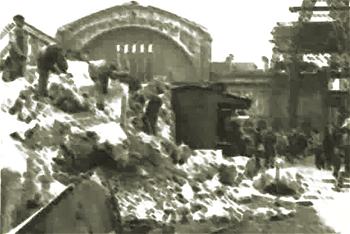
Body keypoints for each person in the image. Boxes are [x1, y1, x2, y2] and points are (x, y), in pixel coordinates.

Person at [2, 15, 28, 81]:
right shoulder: (20, 73)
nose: (5, 72)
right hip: (20, 56)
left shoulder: (6, 66)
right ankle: (20, 30)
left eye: (4, 73)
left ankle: (19, 29)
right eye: (6, 75)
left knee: (14, 43)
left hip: (16, 53)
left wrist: (8, 46)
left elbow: (3, 54)